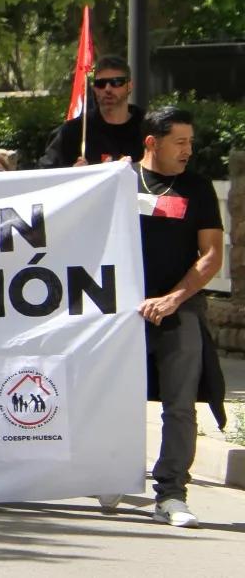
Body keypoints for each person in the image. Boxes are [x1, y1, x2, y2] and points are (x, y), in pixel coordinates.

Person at [97, 107, 224, 527]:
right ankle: (114, 474)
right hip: (121, 313)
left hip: (179, 311)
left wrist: (173, 298)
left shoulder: (198, 187)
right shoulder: (118, 179)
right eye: (180, 142)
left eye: (191, 141)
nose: (189, 149)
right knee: (116, 398)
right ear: (152, 142)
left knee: (180, 406)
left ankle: (171, 495)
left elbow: (211, 256)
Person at [40, 55, 143, 168]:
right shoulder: (73, 132)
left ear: (129, 86)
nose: (107, 89)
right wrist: (71, 174)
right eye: (101, 84)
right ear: (94, 88)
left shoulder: (148, 127)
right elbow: (45, 176)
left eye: (116, 82)